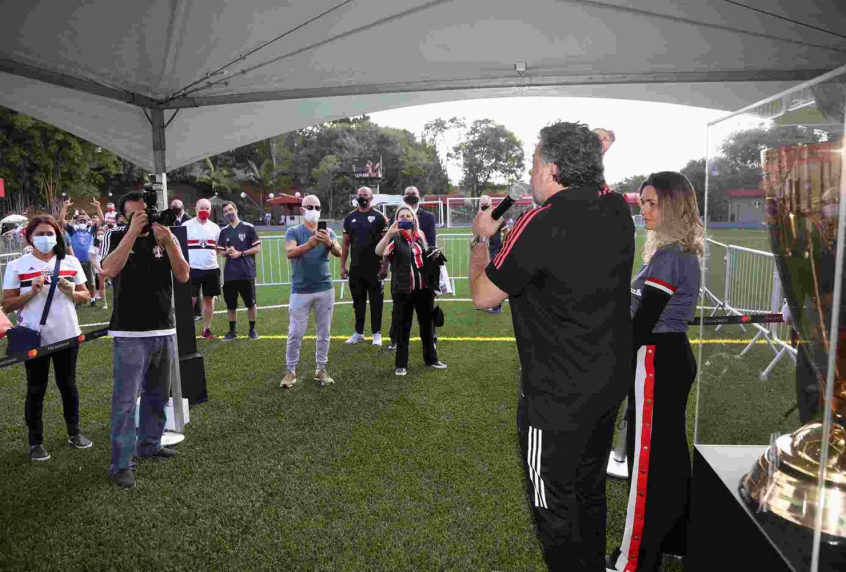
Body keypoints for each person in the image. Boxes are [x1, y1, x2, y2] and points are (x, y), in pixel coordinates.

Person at [469, 122, 634, 571]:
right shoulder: (617, 209)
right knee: (589, 490)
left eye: (535, 161)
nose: (530, 169)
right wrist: (593, 152)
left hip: (556, 398)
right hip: (606, 386)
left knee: (554, 507)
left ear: (553, 169)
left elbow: (485, 296)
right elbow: (594, 187)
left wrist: (482, 238)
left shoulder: (538, 223)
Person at [606, 172, 703, 572]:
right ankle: (677, 539)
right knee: (668, 457)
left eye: (651, 203)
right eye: (641, 202)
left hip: (656, 359)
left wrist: (610, 367)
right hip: (669, 356)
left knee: (647, 462)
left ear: (674, 205)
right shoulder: (677, 251)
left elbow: (641, 324)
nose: (642, 210)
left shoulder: (669, 256)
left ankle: (635, 560)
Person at [100, 190, 191, 489]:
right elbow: (109, 269)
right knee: (125, 402)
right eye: (136, 214)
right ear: (125, 217)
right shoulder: (114, 237)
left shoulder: (164, 235)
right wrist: (131, 233)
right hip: (129, 333)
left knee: (158, 395)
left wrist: (167, 241)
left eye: (146, 213)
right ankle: (121, 464)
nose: (144, 218)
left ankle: (150, 443)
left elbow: (183, 275)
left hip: (164, 328)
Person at [2, 215, 92, 461]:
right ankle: (35, 442)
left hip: (67, 334)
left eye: (50, 233)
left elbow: (86, 296)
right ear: (29, 237)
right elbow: (6, 304)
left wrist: (72, 291)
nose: (45, 238)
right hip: (34, 337)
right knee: (36, 388)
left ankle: (74, 432)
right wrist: (30, 293)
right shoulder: (17, 266)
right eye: (40, 234)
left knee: (68, 385)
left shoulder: (71, 261)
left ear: (57, 235)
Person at [376, 204, 446, 376]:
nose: (406, 218)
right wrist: (389, 233)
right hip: (403, 290)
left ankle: (431, 359)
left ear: (414, 219)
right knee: (403, 327)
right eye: (402, 216)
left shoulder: (420, 235)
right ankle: (401, 364)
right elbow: (380, 252)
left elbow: (425, 255)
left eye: (409, 215)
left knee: (427, 326)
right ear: (397, 219)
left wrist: (433, 254)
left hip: (424, 288)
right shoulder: (395, 237)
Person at [280, 195, 341, 388]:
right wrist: (310, 244)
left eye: (316, 206)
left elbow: (339, 252)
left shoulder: (328, 231)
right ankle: (290, 371)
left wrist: (328, 242)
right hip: (300, 290)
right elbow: (290, 252)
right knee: (295, 333)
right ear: (302, 210)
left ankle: (320, 370)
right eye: (309, 206)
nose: (313, 210)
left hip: (325, 288)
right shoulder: (293, 231)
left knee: (324, 333)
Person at [387, 186, 438, 351]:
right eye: (408, 194)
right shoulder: (395, 217)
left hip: (422, 271)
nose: (410, 196)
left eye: (413, 194)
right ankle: (395, 339)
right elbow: (388, 247)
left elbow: (431, 243)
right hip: (400, 272)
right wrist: (385, 266)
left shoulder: (428, 217)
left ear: (419, 196)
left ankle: (432, 340)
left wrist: (433, 264)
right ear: (403, 197)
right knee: (399, 309)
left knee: (427, 310)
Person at [341, 186, 388, 346]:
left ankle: (377, 334)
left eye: (365, 195)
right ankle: (359, 332)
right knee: (358, 302)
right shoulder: (350, 218)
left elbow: (387, 243)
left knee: (376, 303)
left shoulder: (379, 217)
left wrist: (385, 266)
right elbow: (345, 244)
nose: (362, 197)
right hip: (356, 268)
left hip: (375, 268)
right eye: (359, 195)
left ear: (371, 198)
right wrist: (342, 266)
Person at [217, 201, 261, 340]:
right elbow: (219, 250)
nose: (229, 212)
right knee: (231, 305)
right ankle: (232, 331)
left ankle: (252, 330)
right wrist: (227, 251)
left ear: (236, 209)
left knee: (251, 303)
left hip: (246, 272)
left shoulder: (249, 227)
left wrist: (240, 253)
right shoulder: (224, 231)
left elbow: (257, 248)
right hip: (230, 274)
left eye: (230, 209)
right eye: (225, 211)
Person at [184, 198, 222, 339]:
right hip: (192, 269)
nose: (204, 211)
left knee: (208, 299)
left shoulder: (215, 228)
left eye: (207, 208)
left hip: (211, 269)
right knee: (191, 300)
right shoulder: (187, 225)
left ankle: (206, 329)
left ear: (210, 211)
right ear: (196, 208)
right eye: (202, 208)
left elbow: (217, 248)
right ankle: (186, 330)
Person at [59, 201, 98, 306]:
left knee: (91, 282)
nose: (82, 221)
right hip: (76, 261)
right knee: (77, 282)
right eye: (80, 220)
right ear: (77, 222)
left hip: (88, 260)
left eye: (84, 220)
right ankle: (78, 301)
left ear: (87, 222)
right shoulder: (73, 231)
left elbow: (101, 220)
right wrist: (65, 207)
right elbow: (61, 220)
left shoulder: (90, 230)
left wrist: (98, 207)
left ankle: (93, 299)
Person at [478, 195, 506, 315]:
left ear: (491, 203)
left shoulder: (498, 216)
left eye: (486, 204)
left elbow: (506, 231)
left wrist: (504, 246)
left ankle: (497, 306)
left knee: (494, 279)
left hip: (495, 251)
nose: (484, 206)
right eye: (482, 204)